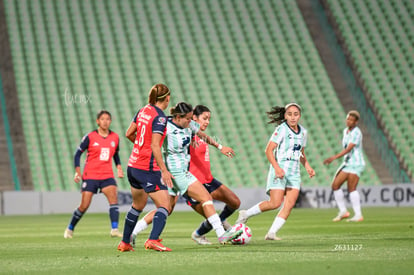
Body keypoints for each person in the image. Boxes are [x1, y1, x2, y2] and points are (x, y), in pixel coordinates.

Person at [130, 105, 241, 245]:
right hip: (176, 172)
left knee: (165, 209)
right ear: (178, 117)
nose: (191, 122)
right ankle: (221, 234)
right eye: (188, 119)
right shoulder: (165, 127)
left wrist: (220, 147)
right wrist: (162, 168)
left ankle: (133, 232)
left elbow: (202, 135)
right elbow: (154, 144)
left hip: (177, 173)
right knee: (206, 198)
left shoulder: (190, 125)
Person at [163, 102, 242, 244]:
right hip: (192, 181)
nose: (207, 122)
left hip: (208, 180)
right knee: (169, 209)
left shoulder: (198, 133)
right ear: (193, 117)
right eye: (204, 118)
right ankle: (204, 234)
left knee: (234, 202)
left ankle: (222, 224)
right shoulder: (187, 134)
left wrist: (220, 146)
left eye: (209, 119)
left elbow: (203, 136)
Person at [236, 103, 315, 240]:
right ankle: (245, 214)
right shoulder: (282, 129)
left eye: (295, 114)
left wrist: (307, 166)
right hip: (279, 170)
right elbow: (268, 150)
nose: (292, 117)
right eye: (289, 114)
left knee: (289, 205)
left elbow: (300, 152)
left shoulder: (303, 132)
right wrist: (277, 168)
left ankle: (271, 233)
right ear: (285, 115)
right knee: (275, 203)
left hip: (294, 173)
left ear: (300, 116)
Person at [117, 83, 174, 252]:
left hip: (133, 166)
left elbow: (129, 133)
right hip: (147, 168)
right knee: (165, 205)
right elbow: (156, 146)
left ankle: (125, 243)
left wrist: (141, 147)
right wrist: (164, 170)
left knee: (137, 205)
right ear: (167, 98)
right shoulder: (160, 117)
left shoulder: (143, 110)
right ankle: (153, 240)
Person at [64, 110, 124, 239]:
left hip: (107, 175)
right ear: (98, 121)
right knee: (84, 206)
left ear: (110, 121)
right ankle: (70, 229)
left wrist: (118, 167)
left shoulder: (115, 137)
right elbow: (77, 154)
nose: (105, 121)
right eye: (102, 119)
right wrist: (77, 172)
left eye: (108, 119)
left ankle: (114, 229)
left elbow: (116, 154)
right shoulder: (90, 137)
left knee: (114, 201)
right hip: (90, 175)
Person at [323, 110, 365, 222]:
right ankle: (343, 211)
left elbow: (349, 149)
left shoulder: (357, 132)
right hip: (347, 163)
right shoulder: (345, 131)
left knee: (351, 188)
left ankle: (358, 215)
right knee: (335, 185)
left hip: (356, 163)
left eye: (352, 120)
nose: (349, 121)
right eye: (348, 119)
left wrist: (333, 157)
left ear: (356, 122)